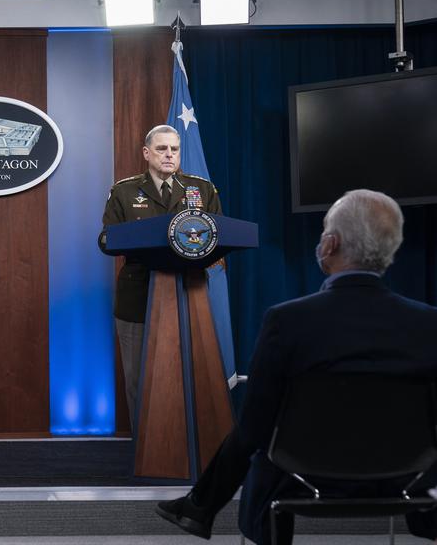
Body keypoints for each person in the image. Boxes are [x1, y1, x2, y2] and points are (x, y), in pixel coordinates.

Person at [155, 189, 437, 544]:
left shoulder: (288, 321)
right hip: (408, 477)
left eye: (322, 232)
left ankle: (199, 507)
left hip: (304, 476)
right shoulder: (429, 324)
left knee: (258, 440)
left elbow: (255, 426)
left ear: (331, 244)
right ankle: (197, 506)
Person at [98, 124, 221, 428]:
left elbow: (219, 234)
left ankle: (190, 444)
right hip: (138, 294)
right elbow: (106, 239)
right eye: (162, 149)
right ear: (146, 153)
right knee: (140, 378)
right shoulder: (124, 191)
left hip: (188, 291)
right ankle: (145, 450)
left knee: (191, 373)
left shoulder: (201, 189)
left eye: (174, 149)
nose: (169, 155)